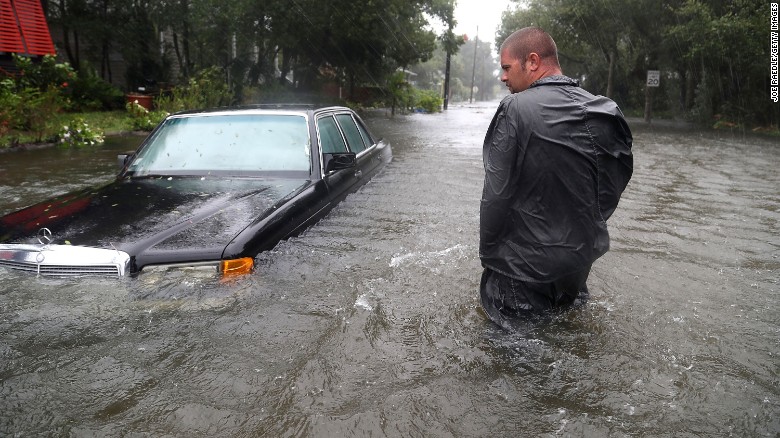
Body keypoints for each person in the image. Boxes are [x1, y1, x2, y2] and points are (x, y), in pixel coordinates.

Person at [479, 27, 633, 328]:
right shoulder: (605, 110)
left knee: (514, 361)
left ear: (533, 61)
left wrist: (490, 258)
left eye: (507, 68)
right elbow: (613, 183)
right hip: (576, 266)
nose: (503, 77)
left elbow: (496, 195)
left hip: (520, 272)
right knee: (566, 337)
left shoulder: (514, 109)